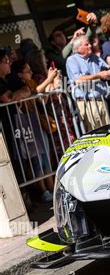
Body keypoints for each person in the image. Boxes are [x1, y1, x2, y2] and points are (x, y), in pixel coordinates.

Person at [10, 59, 58, 202]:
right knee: (36, 159)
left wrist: (50, 83)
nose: (31, 73)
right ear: (19, 74)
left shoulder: (31, 82)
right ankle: (43, 191)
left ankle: (51, 186)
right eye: (27, 71)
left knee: (45, 157)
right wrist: (49, 79)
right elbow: (33, 92)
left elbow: (42, 100)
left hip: (37, 123)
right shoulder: (19, 87)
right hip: (27, 125)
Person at [66, 35, 110, 132]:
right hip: (86, 103)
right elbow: (78, 80)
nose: (90, 46)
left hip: (101, 100)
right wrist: (98, 75)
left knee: (108, 132)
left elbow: (106, 69)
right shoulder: (72, 60)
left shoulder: (94, 57)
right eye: (87, 44)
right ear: (78, 48)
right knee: (95, 134)